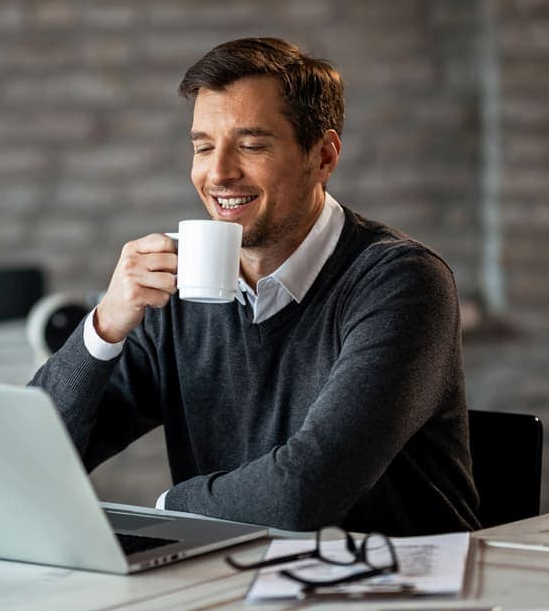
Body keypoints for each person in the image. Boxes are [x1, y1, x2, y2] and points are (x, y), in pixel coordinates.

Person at [30, 37, 479, 535]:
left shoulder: (402, 282)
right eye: (203, 146)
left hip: (396, 590)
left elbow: (304, 492)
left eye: (251, 145)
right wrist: (105, 327)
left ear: (324, 156)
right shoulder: (178, 287)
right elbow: (28, 458)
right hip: (236, 579)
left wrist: (167, 510)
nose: (218, 172)